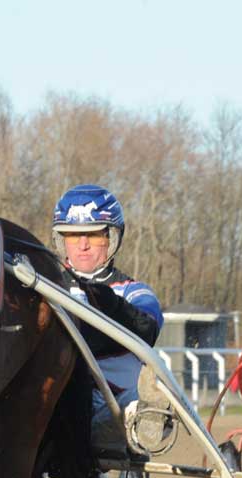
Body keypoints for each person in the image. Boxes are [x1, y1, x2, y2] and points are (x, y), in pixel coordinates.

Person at [52, 184, 171, 457]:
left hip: (114, 409)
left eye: (92, 235)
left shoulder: (132, 291)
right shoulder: (46, 287)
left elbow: (147, 327)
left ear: (112, 238)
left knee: (144, 383)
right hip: (58, 405)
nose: (82, 245)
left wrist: (106, 301)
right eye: (73, 235)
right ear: (61, 240)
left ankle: (144, 418)